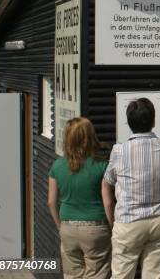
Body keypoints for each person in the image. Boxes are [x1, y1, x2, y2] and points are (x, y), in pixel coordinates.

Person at [103, 97, 160, 279]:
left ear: (128, 122)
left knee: (121, 275)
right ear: (153, 120)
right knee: (154, 276)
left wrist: (112, 220)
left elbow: (107, 182)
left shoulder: (119, 150)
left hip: (129, 221)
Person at [47, 117, 112, 279]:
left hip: (67, 227)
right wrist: (112, 227)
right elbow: (108, 202)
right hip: (96, 228)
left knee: (72, 274)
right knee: (97, 273)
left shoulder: (57, 166)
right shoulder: (102, 165)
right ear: (89, 137)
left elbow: (51, 202)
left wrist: (60, 226)